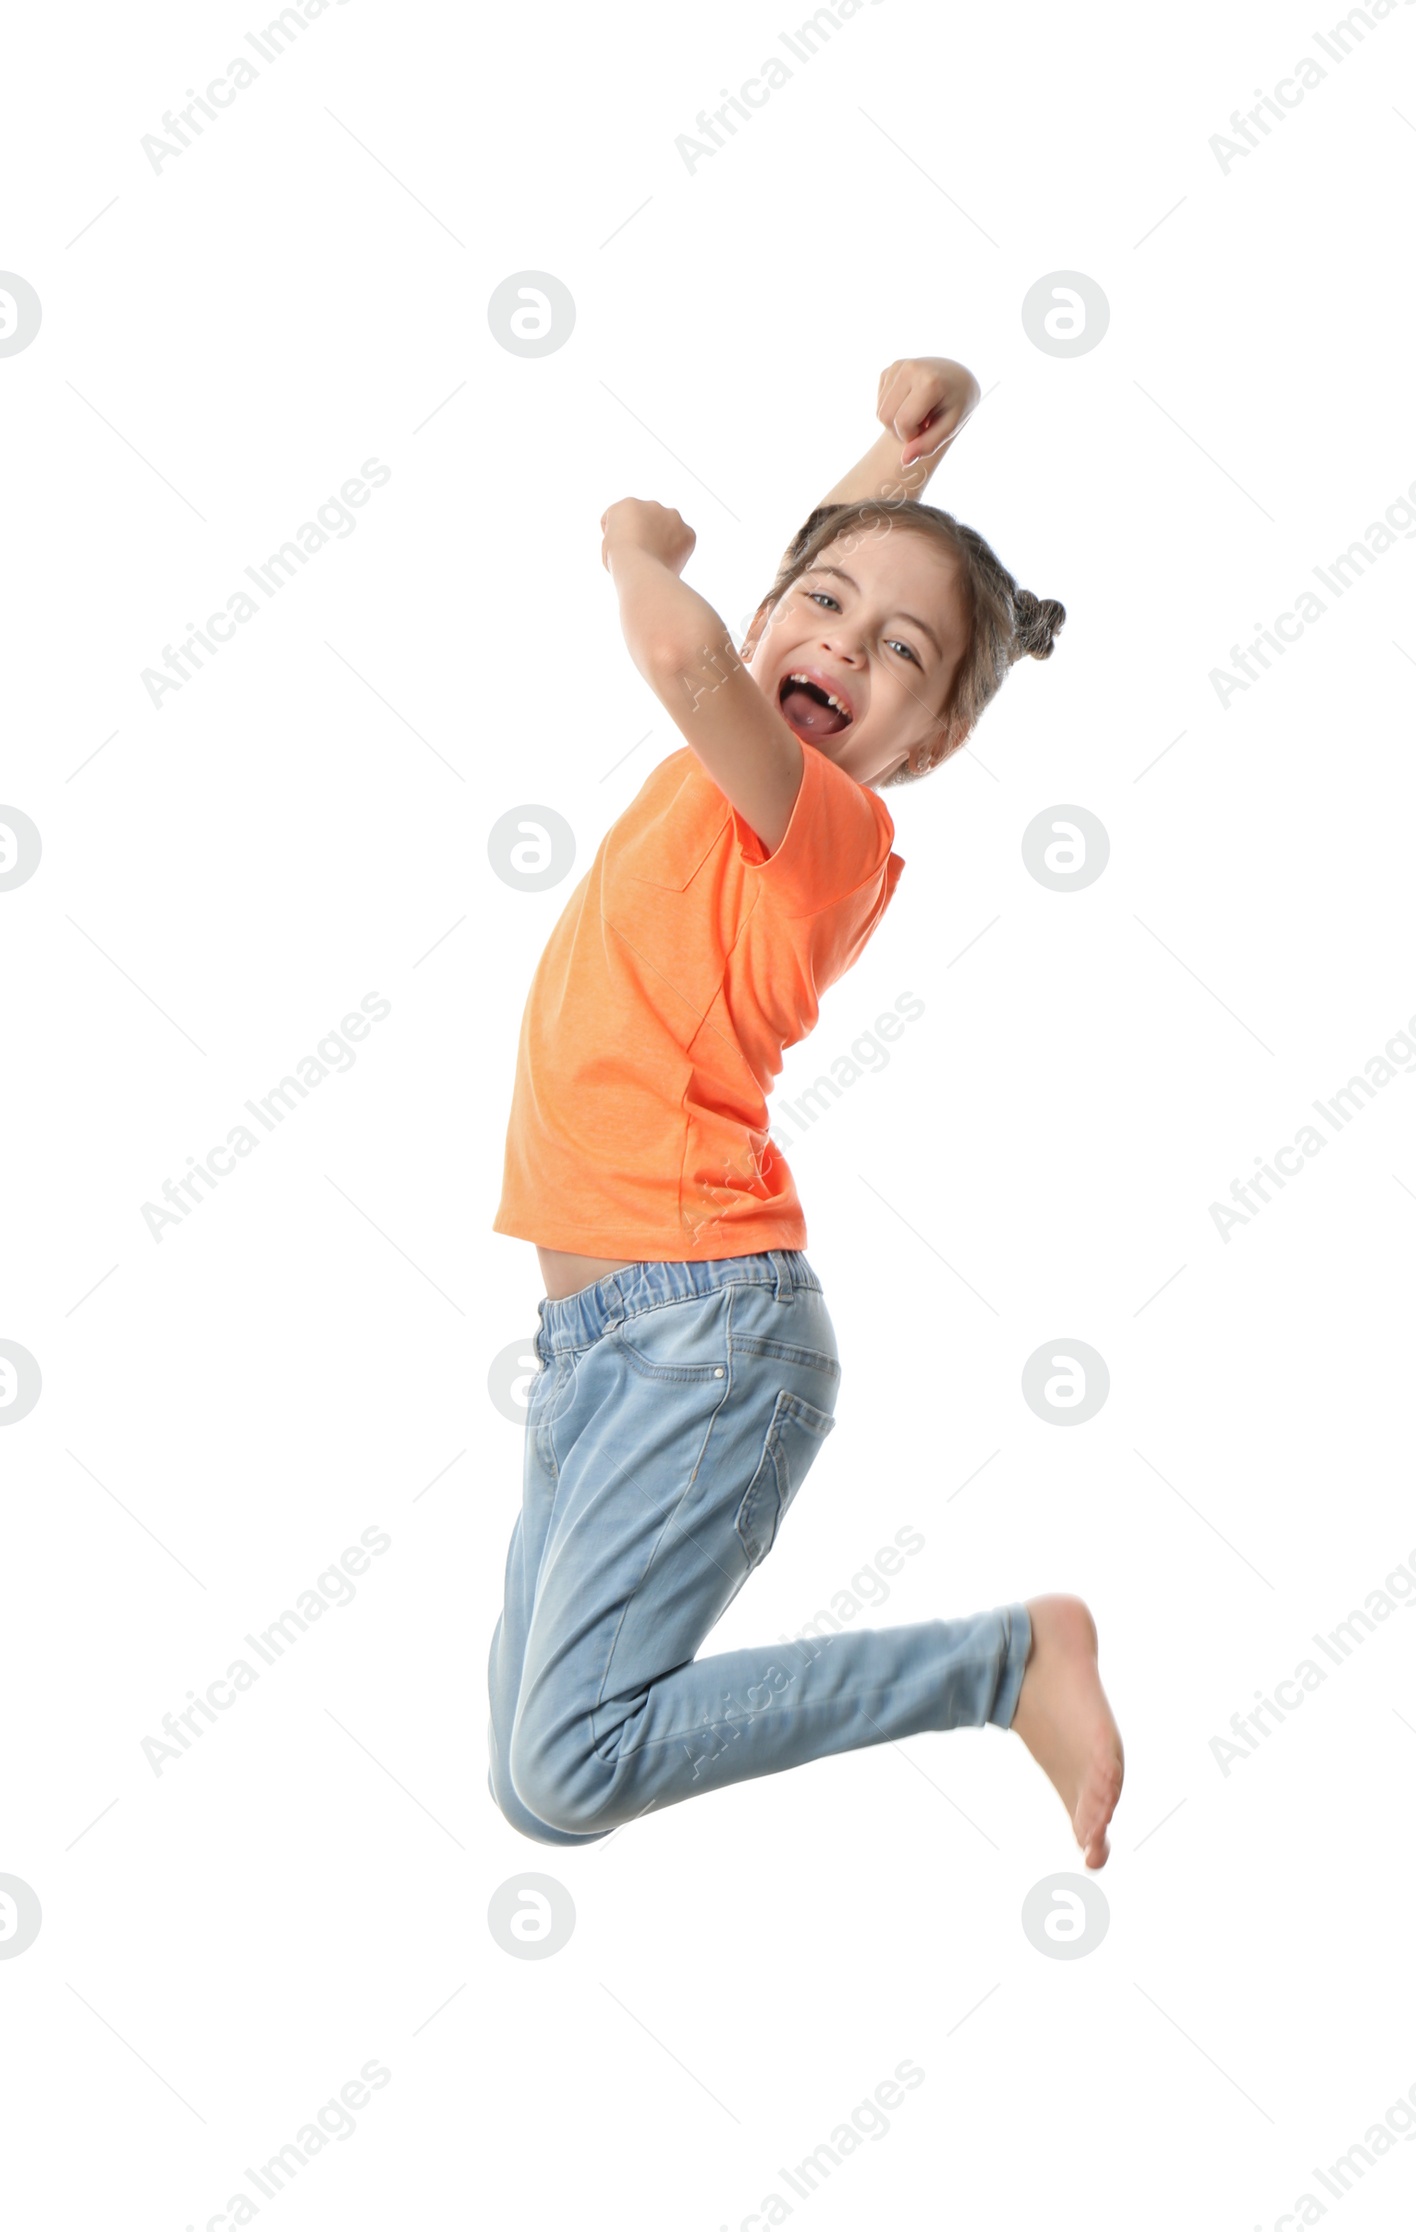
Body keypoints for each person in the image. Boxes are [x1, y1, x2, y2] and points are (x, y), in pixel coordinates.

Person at [486, 357, 1124, 1865]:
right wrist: (919, 448)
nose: (841, 642)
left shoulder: (825, 825)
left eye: (897, 654)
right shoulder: (750, 758)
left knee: (576, 1762)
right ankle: (1002, 1664)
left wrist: (633, 549)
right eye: (822, 609)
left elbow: (704, 659)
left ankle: (1005, 1662)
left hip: (703, 1331)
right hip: (596, 1346)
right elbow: (804, 598)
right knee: (538, 1780)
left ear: (928, 746)